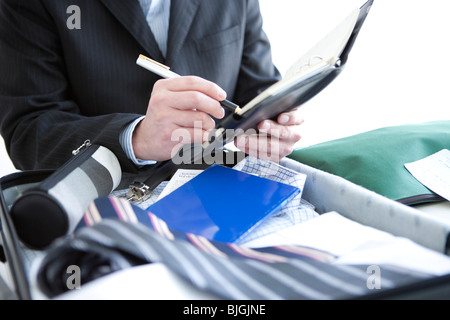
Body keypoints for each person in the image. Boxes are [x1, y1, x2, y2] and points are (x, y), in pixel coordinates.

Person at [0, 0, 303, 175]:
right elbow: (29, 132)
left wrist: (272, 124)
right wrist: (136, 138)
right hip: (107, 207)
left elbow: (258, 88)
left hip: (221, 185)